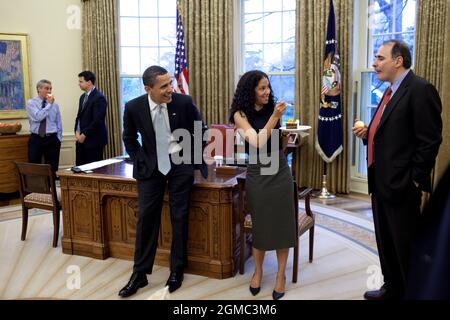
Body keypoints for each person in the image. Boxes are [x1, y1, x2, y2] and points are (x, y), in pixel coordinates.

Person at [352, 40, 442, 300]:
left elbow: (430, 141)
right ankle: (392, 288)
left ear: (398, 60)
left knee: (405, 246)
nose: (374, 63)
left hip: (402, 185)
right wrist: (368, 134)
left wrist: (413, 180)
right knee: (386, 243)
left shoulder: (420, 89)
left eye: (380, 58)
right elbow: (391, 133)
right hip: (380, 182)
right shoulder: (389, 91)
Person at [119, 65, 207, 298]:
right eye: (164, 86)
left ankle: (176, 270)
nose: (170, 89)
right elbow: (128, 137)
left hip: (180, 163)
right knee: (146, 217)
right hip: (151, 167)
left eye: (170, 83)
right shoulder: (134, 107)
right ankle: (140, 273)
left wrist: (191, 159)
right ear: (148, 88)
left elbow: (200, 130)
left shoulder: (183, 102)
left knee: (179, 215)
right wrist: (141, 159)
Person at [229, 70, 296, 300]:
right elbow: (257, 141)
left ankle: (280, 275)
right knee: (261, 224)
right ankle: (257, 271)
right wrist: (275, 118)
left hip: (279, 170)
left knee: (282, 223)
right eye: (262, 88)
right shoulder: (240, 114)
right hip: (258, 171)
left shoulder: (272, 107)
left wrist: (286, 135)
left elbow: (276, 141)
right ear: (251, 91)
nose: (267, 92)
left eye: (268, 87)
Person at [26, 79, 62, 172]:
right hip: (36, 138)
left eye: (50, 88)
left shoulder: (55, 105)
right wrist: (49, 104)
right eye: (47, 88)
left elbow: (58, 123)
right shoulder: (31, 103)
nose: (49, 91)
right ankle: (37, 187)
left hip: (52, 139)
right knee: (35, 167)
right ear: (39, 89)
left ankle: (51, 186)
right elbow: (38, 117)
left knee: (52, 168)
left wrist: (59, 138)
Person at [74, 70, 108, 166]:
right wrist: (76, 131)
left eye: (81, 81)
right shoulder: (82, 97)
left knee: (93, 171)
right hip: (81, 140)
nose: (79, 84)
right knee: (80, 169)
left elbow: (98, 121)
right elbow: (79, 117)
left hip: (94, 141)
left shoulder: (99, 97)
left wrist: (84, 135)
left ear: (89, 82)